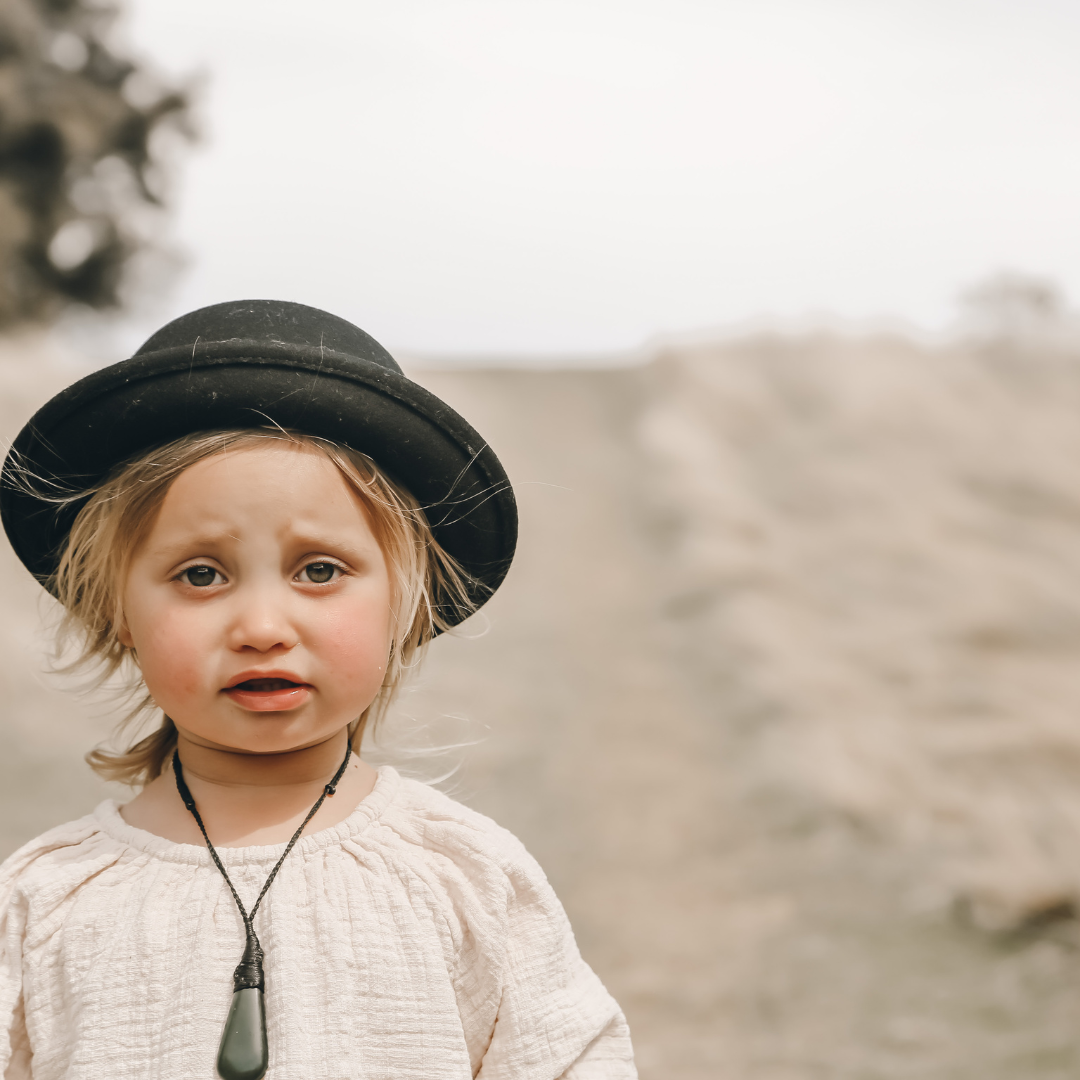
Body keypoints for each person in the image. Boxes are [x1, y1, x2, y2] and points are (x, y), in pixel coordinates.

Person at [0, 301, 636, 1080]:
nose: (262, 625)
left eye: (319, 570)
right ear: (117, 610)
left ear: (406, 604)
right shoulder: (44, 901)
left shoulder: (465, 875)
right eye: (201, 575)